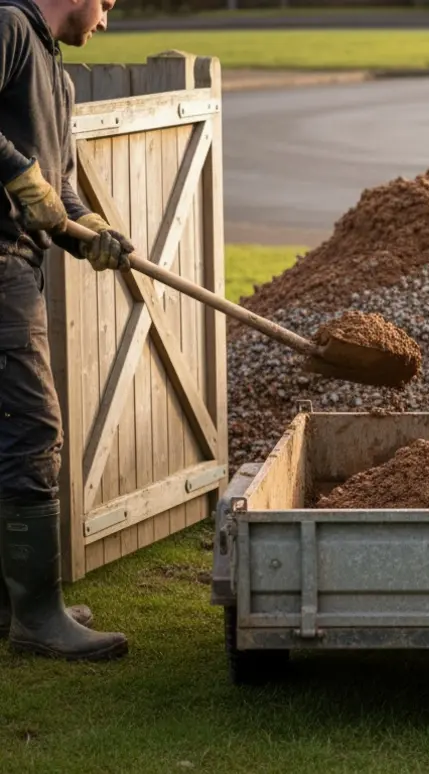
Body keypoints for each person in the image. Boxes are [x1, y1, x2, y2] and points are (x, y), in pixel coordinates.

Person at [0, 0, 135, 662]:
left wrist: (95, 239)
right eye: (105, 4)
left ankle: (17, 604)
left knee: (10, 433)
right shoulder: (6, 28)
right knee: (32, 432)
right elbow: (28, 182)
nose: (104, 21)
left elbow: (62, 196)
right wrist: (16, 175)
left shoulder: (59, 77)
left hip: (22, 263)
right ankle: (37, 618)